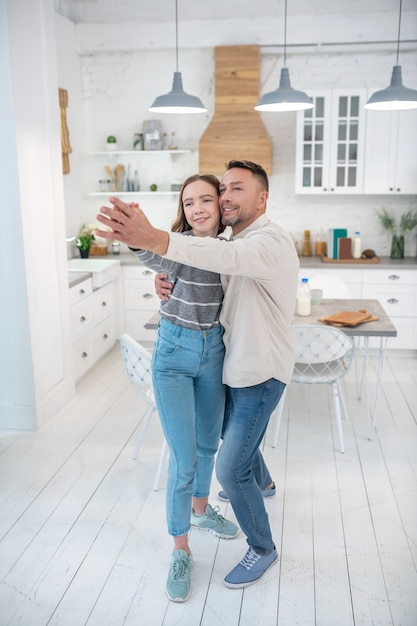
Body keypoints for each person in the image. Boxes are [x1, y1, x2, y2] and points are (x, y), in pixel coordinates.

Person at [96, 159, 299, 589]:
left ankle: (236, 524)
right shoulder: (217, 242)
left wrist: (157, 242)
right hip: (186, 351)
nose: (218, 200)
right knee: (192, 456)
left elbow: (218, 256)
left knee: (218, 450)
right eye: (208, 195)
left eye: (224, 193)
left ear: (262, 197)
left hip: (242, 362)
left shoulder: (254, 244)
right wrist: (155, 267)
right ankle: (181, 548)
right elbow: (168, 256)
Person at [126, 174, 238, 603]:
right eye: (188, 202)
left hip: (214, 352)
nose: (197, 209)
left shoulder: (231, 249)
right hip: (174, 352)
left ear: (220, 205)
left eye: (205, 199)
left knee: (209, 442)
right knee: (184, 458)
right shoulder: (176, 243)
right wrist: (138, 236)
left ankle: (200, 510)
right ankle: (180, 548)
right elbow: (158, 259)